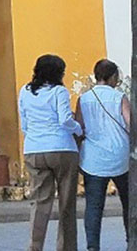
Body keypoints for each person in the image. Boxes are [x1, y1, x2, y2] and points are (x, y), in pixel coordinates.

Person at [19, 54, 84, 251]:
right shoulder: (59, 91)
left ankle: (34, 246)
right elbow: (65, 120)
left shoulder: (25, 91)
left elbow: (25, 124)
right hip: (62, 149)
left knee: (39, 202)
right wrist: (79, 129)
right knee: (66, 203)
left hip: (34, 149)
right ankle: (66, 247)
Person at [76, 59, 130, 251]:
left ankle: (92, 246)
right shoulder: (120, 97)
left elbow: (79, 129)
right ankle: (131, 241)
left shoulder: (83, 99)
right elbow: (131, 124)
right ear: (113, 77)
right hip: (121, 157)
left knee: (93, 206)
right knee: (129, 203)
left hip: (93, 160)